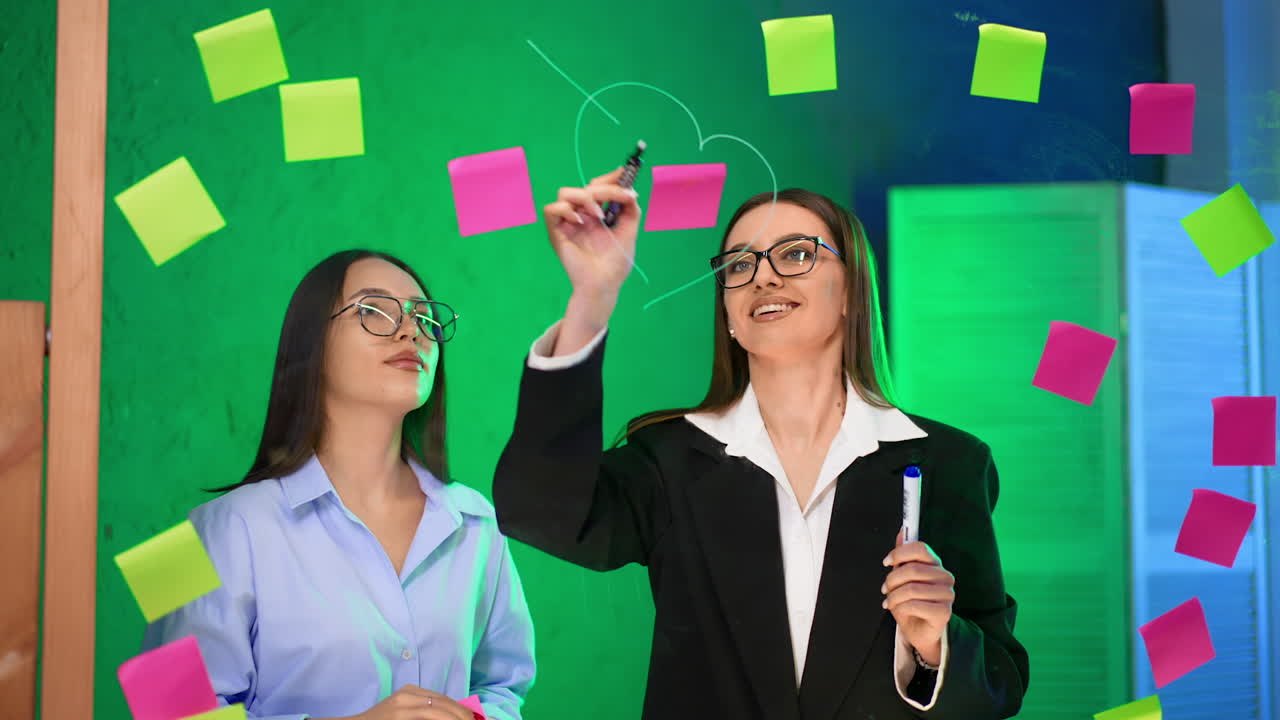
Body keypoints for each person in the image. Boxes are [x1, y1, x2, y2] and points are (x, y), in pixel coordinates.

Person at [492, 174, 1029, 719]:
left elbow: (999, 688)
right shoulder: (670, 459)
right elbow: (538, 512)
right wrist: (593, 295)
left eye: (796, 254)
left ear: (851, 290)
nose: (764, 276)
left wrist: (935, 642)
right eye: (739, 266)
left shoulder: (951, 464)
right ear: (727, 316)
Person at [145, 250, 535, 720]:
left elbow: (504, 688)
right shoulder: (211, 529)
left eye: (424, 317)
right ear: (312, 345)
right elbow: (165, 710)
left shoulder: (477, 521)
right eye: (374, 311)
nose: (410, 330)